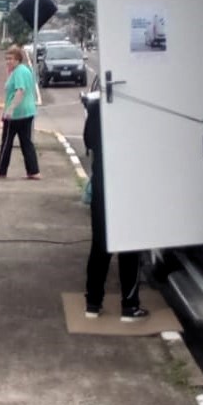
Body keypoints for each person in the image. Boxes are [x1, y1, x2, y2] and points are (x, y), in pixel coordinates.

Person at [82, 95, 147, 321]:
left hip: (103, 182)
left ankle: (92, 303)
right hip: (131, 183)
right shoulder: (140, 107)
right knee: (129, 244)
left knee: (100, 244)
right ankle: (129, 307)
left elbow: (89, 141)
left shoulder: (97, 106)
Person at [0, 44, 40, 179]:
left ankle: (0, 170)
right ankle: (33, 170)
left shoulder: (18, 72)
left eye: (11, 59)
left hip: (16, 114)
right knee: (26, 142)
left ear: (18, 59)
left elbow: (20, 90)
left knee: (7, 142)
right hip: (27, 112)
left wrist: (10, 109)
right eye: (7, 59)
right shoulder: (24, 70)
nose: (8, 61)